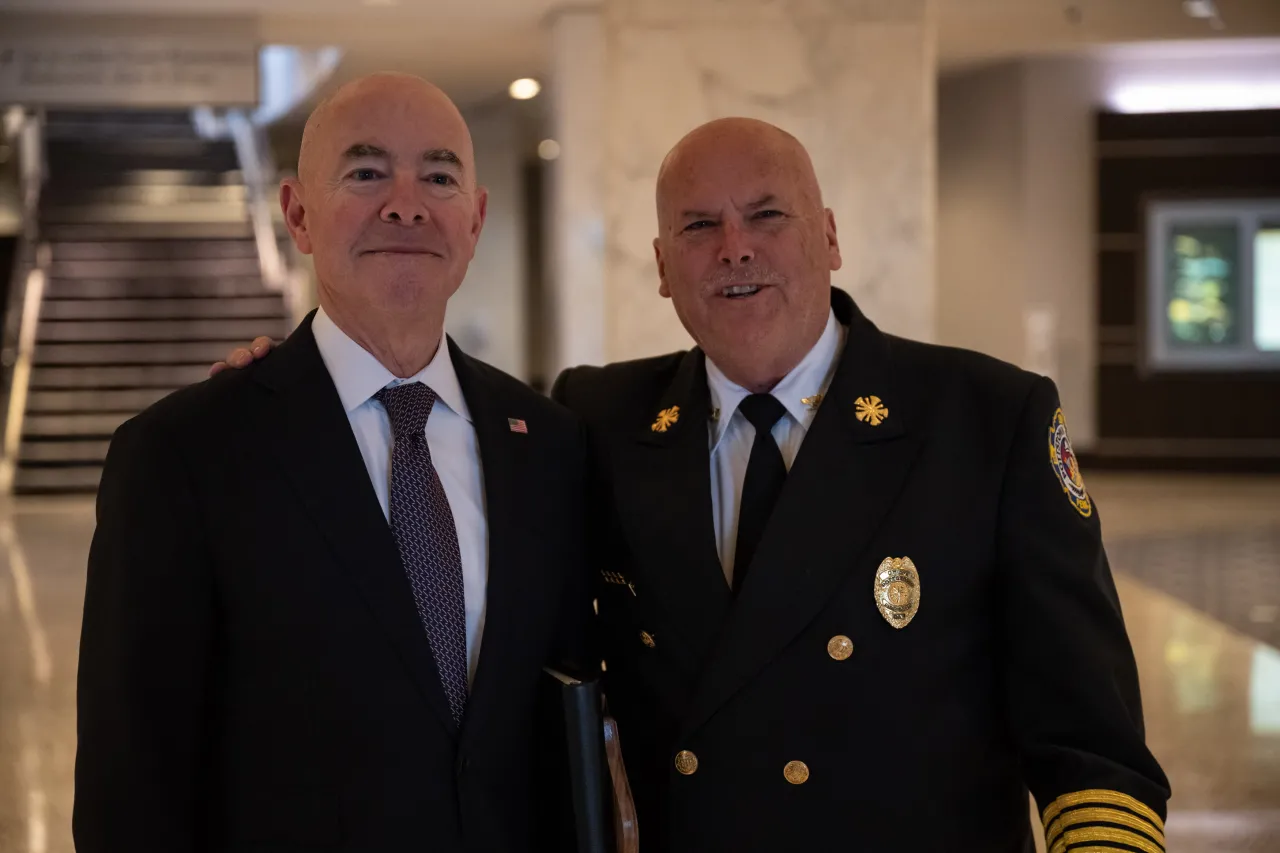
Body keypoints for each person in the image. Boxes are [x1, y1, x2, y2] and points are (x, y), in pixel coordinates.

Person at [215, 117, 1171, 852]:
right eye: (698, 228)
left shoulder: (985, 420)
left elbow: (1092, 745)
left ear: (829, 237)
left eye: (767, 215)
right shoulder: (596, 423)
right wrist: (294, 396)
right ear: (664, 270)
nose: (735, 248)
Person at [74, 73, 588, 853]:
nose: (406, 203)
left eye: (440, 176)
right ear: (298, 214)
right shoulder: (184, 455)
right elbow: (132, 787)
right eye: (367, 171)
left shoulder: (548, 444)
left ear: (475, 219)